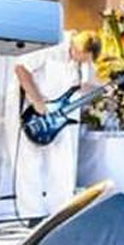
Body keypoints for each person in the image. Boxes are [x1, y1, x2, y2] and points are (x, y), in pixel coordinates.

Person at [13, 30, 101, 219]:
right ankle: (32, 214)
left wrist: (101, 89)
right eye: (82, 58)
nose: (81, 62)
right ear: (78, 47)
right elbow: (21, 68)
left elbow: (78, 87)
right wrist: (37, 101)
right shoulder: (52, 45)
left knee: (62, 165)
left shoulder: (79, 63)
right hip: (35, 113)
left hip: (60, 116)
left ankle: (60, 211)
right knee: (31, 164)